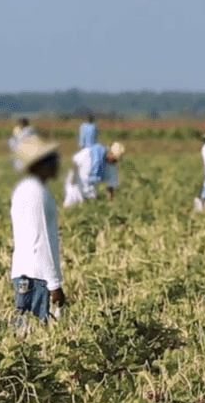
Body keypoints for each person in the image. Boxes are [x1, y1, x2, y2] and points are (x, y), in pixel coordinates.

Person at [10, 135, 66, 322]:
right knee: (34, 333)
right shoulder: (35, 192)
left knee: (26, 334)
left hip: (29, 273)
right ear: (39, 165)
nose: (56, 164)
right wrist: (54, 284)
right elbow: (39, 240)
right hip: (36, 276)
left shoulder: (28, 188)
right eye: (51, 160)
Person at [63, 141, 125, 207]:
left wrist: (110, 203)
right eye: (114, 158)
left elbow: (111, 186)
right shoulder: (92, 153)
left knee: (89, 203)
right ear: (110, 153)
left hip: (89, 185)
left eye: (116, 160)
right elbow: (76, 167)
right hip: (76, 177)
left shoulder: (112, 165)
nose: (114, 161)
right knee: (71, 201)